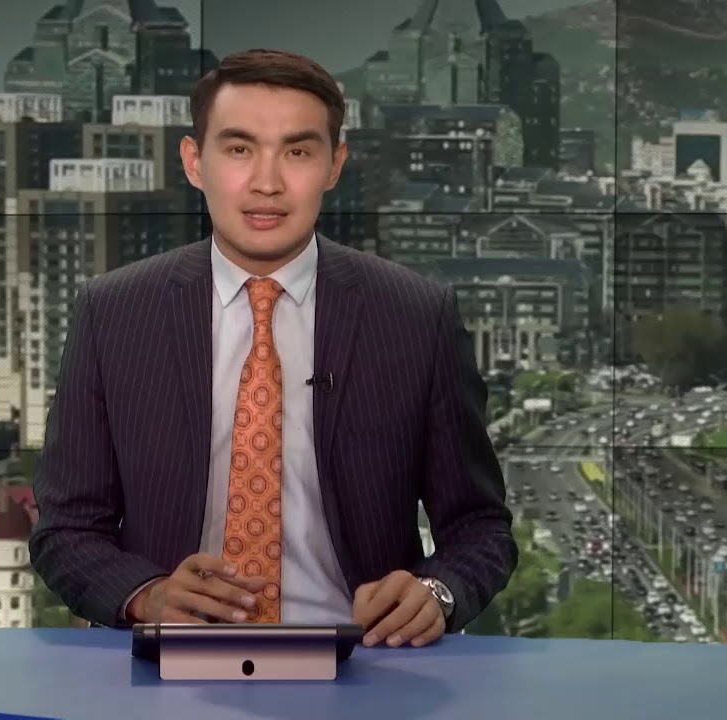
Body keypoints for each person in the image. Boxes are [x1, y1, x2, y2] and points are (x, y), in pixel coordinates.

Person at [29, 48, 516, 649]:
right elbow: (66, 531)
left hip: (364, 661)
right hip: (174, 664)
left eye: (297, 152)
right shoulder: (115, 312)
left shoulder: (416, 316)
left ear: (334, 165)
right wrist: (147, 595)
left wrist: (437, 593)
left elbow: (479, 527)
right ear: (194, 162)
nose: (267, 182)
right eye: (239, 149)